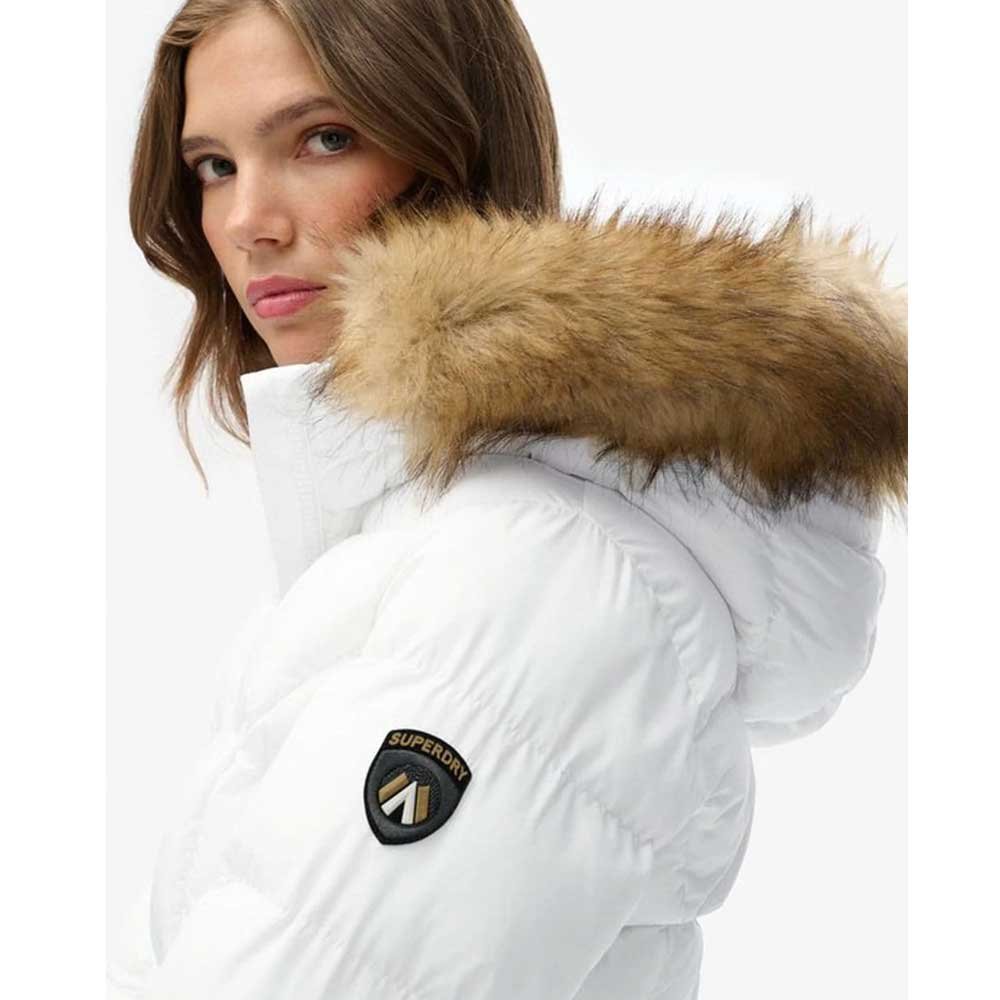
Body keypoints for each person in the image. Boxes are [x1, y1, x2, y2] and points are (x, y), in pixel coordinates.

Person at [110, 1, 908, 998]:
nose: (245, 222)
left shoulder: (530, 569)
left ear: (460, 155)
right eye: (214, 165)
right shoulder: (439, 539)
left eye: (323, 140)